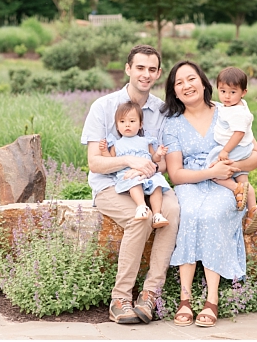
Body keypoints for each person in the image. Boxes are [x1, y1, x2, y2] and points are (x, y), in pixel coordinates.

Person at [161, 61, 257, 328]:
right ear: (174, 91)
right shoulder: (172, 125)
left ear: (204, 83)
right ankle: (185, 299)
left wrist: (229, 168)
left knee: (213, 214)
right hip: (191, 184)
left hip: (225, 182)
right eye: (179, 82)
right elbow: (176, 174)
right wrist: (210, 172)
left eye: (191, 78)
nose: (186, 85)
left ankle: (212, 299)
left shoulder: (228, 111)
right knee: (190, 212)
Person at [82, 44, 175, 325]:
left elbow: (163, 162)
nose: (145, 74)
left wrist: (150, 165)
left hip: (150, 183)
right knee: (140, 218)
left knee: (171, 212)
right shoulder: (103, 106)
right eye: (140, 68)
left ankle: (150, 295)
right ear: (128, 69)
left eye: (151, 69)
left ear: (158, 73)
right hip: (110, 185)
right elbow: (95, 163)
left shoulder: (161, 110)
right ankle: (120, 298)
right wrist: (130, 162)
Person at [207, 67, 257, 234]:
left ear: (243, 92)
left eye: (232, 92)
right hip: (243, 148)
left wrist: (225, 151)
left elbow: (239, 133)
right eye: (222, 91)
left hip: (235, 149)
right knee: (243, 179)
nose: (226, 96)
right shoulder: (237, 105)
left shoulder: (237, 113)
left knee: (213, 172)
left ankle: (235, 189)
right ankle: (253, 209)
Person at [105, 101, 173, 229]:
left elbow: (153, 158)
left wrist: (158, 154)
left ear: (141, 124)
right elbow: (111, 162)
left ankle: (157, 214)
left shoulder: (145, 141)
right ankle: (141, 206)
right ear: (117, 126)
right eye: (122, 122)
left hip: (148, 173)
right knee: (134, 182)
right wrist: (104, 151)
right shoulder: (116, 144)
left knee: (157, 184)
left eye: (132, 121)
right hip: (130, 174)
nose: (127, 125)